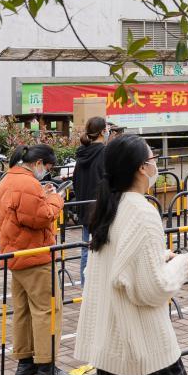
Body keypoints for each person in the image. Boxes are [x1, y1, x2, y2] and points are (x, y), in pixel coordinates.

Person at [74, 135, 188, 375]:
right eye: (153, 158)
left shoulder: (110, 206)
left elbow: (115, 266)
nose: (156, 164)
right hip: (141, 342)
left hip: (109, 340)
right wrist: (181, 263)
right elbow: (151, 289)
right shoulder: (142, 212)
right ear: (142, 168)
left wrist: (157, 258)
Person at [0, 144, 65, 375]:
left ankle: (25, 361)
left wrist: (42, 196)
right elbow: (41, 217)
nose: (47, 172)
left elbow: (23, 212)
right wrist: (56, 199)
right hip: (35, 254)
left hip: (15, 254)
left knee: (23, 310)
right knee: (47, 309)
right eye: (48, 167)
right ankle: (47, 367)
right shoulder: (27, 183)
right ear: (38, 163)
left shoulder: (8, 179)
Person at [72, 116, 108, 285]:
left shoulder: (82, 153)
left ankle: (85, 285)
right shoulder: (105, 153)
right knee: (105, 246)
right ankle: (100, 285)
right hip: (101, 207)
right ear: (102, 131)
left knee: (87, 247)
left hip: (84, 206)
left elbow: (75, 181)